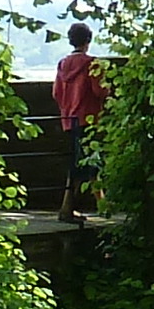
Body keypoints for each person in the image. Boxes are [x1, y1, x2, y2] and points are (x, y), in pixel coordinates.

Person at [52, 23, 111, 216]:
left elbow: (56, 93)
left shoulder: (62, 64)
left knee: (78, 161)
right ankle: (99, 204)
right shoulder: (92, 63)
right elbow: (99, 91)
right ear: (88, 41)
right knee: (91, 161)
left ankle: (73, 205)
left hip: (69, 120)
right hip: (89, 119)